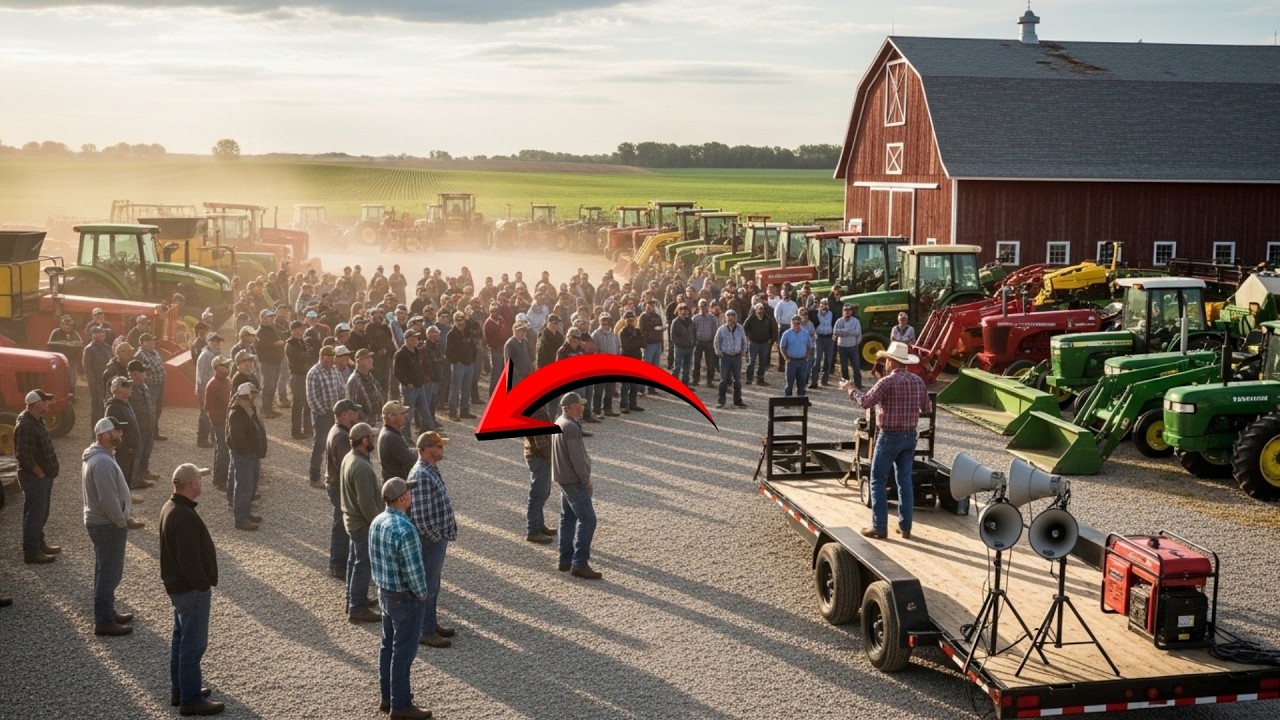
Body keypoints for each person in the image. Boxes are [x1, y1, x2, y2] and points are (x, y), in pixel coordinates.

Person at [842, 341, 932, 541]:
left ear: (891, 362)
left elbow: (865, 401)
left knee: (877, 480)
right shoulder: (918, 381)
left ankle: (880, 527)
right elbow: (927, 408)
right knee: (904, 481)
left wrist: (850, 389)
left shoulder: (886, 382)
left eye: (886, 361)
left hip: (889, 436)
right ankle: (905, 527)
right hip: (910, 436)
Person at [159, 464, 224, 716]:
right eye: (199, 478)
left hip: (178, 589)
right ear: (190, 485)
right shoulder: (184, 516)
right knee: (193, 645)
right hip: (189, 591)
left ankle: (182, 690)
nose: (202, 482)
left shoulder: (170, 507)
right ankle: (190, 699)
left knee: (181, 640)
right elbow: (188, 560)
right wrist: (202, 584)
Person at [368, 477, 432, 719]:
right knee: (403, 654)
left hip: (384, 593)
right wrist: (423, 594)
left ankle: (388, 697)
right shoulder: (406, 530)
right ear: (404, 498)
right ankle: (401, 706)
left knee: (388, 647)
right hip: (405, 599)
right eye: (409, 493)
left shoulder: (377, 521)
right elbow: (414, 571)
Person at [83, 416, 145, 637]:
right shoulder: (101, 462)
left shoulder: (102, 457)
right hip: (107, 525)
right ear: (104, 436)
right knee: (109, 574)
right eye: (116, 431)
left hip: (103, 524)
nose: (120, 434)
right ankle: (104, 622)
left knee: (104, 571)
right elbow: (107, 499)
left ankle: (107, 612)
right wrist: (121, 522)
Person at [406, 431, 457, 648]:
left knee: (433, 584)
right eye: (438, 446)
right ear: (427, 449)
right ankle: (426, 630)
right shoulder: (422, 475)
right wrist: (437, 538)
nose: (442, 450)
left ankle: (430, 623)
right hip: (430, 541)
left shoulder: (429, 469)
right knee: (428, 585)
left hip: (434, 539)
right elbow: (421, 517)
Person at [551, 393, 600, 580]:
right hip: (573, 480)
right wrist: (586, 479)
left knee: (567, 518)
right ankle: (579, 563)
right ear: (572, 406)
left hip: (563, 478)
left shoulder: (560, 421)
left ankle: (565, 559)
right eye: (580, 405)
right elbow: (577, 459)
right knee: (588, 520)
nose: (583, 408)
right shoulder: (571, 427)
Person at [341, 422, 384, 623]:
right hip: (362, 524)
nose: (374, 440)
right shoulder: (361, 466)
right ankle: (357, 607)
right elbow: (366, 502)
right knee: (363, 565)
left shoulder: (349, 458)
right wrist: (378, 524)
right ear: (364, 440)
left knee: (354, 562)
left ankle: (352, 599)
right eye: (371, 437)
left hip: (352, 521)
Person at [15, 389, 60, 564]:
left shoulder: (37, 420)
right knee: (34, 514)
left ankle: (39, 544)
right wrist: (39, 472)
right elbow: (23, 455)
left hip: (43, 477)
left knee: (41, 512)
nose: (48, 403)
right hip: (35, 478)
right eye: (45, 401)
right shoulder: (26, 425)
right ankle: (32, 552)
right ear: (35, 404)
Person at [324, 399, 362, 579]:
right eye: (354, 412)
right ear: (345, 414)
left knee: (341, 525)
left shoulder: (339, 431)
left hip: (336, 485)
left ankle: (340, 563)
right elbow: (346, 467)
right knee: (341, 527)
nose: (357, 415)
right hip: (339, 487)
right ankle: (338, 566)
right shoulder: (342, 437)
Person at [307, 345, 348, 489]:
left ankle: (332, 475)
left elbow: (341, 388)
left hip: (336, 413)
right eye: (329, 358)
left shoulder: (335, 370)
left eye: (333, 358)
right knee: (320, 445)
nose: (331, 361)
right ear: (321, 357)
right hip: (322, 415)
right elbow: (311, 397)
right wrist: (322, 411)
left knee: (334, 445)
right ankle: (314, 476)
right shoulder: (314, 372)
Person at [522, 403, 556, 544]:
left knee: (542, 493)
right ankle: (533, 530)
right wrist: (553, 457)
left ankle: (538, 525)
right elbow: (541, 443)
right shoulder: (537, 410)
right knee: (538, 494)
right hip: (539, 456)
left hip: (536, 455)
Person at [105, 376, 146, 491]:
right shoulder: (113, 407)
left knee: (128, 473)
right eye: (126, 386)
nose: (130, 388)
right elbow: (112, 431)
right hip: (123, 449)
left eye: (129, 385)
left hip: (131, 447)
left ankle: (127, 495)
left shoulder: (126, 403)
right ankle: (121, 497)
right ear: (117, 390)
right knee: (121, 473)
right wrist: (124, 447)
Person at [394, 331, 431, 438]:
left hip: (420, 387)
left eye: (416, 338)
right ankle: (406, 437)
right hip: (409, 389)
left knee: (426, 413)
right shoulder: (401, 354)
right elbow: (397, 371)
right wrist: (407, 383)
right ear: (406, 340)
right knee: (407, 415)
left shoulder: (417, 351)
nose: (415, 340)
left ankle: (429, 435)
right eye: (412, 338)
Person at [127, 360, 158, 484]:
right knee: (137, 455)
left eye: (141, 373)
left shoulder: (144, 387)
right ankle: (134, 480)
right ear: (131, 375)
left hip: (148, 426)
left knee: (146, 452)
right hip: (138, 428)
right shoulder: (129, 390)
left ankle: (143, 473)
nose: (140, 375)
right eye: (135, 373)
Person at [205, 356, 232, 493]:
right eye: (223, 366)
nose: (226, 368)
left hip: (227, 421)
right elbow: (208, 407)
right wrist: (217, 421)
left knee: (221, 450)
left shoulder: (227, 381)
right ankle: (220, 480)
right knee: (223, 451)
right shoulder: (213, 384)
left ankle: (218, 478)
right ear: (216, 368)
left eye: (227, 366)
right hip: (220, 422)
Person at [135, 333, 168, 439]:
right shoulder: (139, 355)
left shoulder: (155, 352)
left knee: (158, 409)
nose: (151, 343)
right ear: (142, 343)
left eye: (152, 341)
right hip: (150, 385)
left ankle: (154, 432)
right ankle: (148, 433)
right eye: (148, 341)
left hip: (160, 384)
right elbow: (138, 373)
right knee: (149, 410)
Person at [713, 309, 747, 409]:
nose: (730, 317)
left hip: (737, 357)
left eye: (732, 315)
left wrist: (744, 350)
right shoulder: (722, 329)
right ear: (725, 318)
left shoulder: (740, 328)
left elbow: (744, 340)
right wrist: (718, 352)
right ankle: (721, 401)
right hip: (725, 358)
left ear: (735, 317)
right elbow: (716, 342)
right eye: (728, 315)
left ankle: (737, 401)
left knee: (737, 381)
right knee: (723, 380)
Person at [284, 320, 313, 439]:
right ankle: (295, 431)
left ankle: (307, 428)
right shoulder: (290, 344)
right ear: (291, 331)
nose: (298, 332)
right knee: (298, 404)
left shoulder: (302, 342)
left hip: (305, 374)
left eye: (300, 330)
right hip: (297, 376)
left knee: (307, 403)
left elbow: (309, 356)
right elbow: (300, 359)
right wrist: (307, 356)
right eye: (295, 330)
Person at [196, 333, 224, 448]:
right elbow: (201, 376)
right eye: (213, 342)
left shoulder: (214, 354)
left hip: (212, 388)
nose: (216, 344)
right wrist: (203, 389)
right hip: (206, 389)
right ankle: (202, 439)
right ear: (208, 342)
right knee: (205, 414)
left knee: (213, 413)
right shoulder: (206, 355)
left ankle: (213, 437)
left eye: (218, 342)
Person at [378, 401, 417, 481]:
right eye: (402, 414)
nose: (406, 416)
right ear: (391, 417)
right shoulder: (391, 437)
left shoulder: (389, 432)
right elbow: (412, 461)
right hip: (397, 487)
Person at [347, 348, 385, 427]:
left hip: (377, 420)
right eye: (367, 358)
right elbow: (354, 407)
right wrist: (366, 422)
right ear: (359, 362)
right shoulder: (354, 381)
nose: (371, 360)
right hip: (366, 425)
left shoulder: (369, 376)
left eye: (370, 358)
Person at [778, 316, 815, 397]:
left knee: (802, 383)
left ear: (800, 323)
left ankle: (801, 401)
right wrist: (786, 357)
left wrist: (807, 355)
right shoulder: (786, 333)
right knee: (789, 383)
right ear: (791, 323)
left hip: (802, 361)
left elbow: (810, 346)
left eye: (797, 323)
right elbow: (782, 346)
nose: (796, 325)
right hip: (791, 361)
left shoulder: (805, 333)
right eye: (794, 323)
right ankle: (787, 400)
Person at [82, 324, 112, 425]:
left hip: (108, 382)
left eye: (102, 334)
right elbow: (87, 368)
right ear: (93, 336)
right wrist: (93, 383)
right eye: (97, 334)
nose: (100, 336)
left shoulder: (108, 347)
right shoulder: (89, 349)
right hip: (97, 382)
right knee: (97, 407)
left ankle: (106, 428)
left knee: (108, 405)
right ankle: (95, 430)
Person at [743, 303, 777, 386]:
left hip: (764, 344)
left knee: (763, 362)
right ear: (756, 310)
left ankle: (760, 379)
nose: (761, 311)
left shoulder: (767, 319)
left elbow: (772, 330)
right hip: (753, 343)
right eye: (759, 309)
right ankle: (749, 378)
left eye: (762, 309)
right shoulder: (751, 319)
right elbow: (744, 328)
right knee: (751, 362)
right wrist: (747, 338)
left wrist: (771, 340)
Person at [691, 299, 720, 388]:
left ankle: (709, 381)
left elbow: (716, 331)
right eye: (701, 306)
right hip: (698, 343)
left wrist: (714, 343)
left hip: (709, 343)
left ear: (707, 307)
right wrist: (693, 341)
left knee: (710, 363)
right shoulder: (695, 318)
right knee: (696, 362)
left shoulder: (712, 318)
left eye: (704, 306)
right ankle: (695, 380)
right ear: (698, 307)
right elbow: (692, 331)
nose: (703, 308)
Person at [834, 304, 863, 388]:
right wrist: (848, 331)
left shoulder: (856, 321)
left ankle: (858, 384)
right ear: (843, 311)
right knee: (844, 366)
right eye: (845, 310)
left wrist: (845, 333)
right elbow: (835, 331)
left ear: (851, 311)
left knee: (856, 366)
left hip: (853, 346)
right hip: (842, 346)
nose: (847, 312)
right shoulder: (839, 321)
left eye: (849, 310)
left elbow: (857, 332)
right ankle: (845, 384)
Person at [810, 298, 836, 389]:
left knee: (828, 360)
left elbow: (834, 324)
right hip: (819, 338)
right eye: (822, 303)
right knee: (817, 360)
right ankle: (814, 381)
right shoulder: (814, 313)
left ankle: (824, 380)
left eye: (825, 303)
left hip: (829, 338)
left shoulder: (832, 314)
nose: (824, 305)